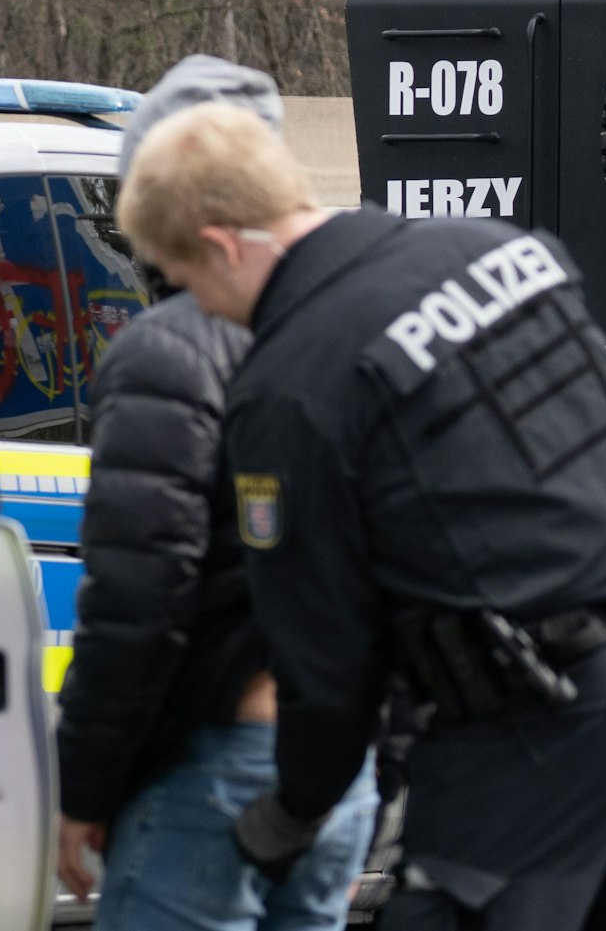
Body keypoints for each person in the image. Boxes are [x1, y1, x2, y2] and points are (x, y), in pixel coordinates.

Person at [115, 101, 606, 931]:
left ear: (221, 244)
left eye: (186, 280)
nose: (201, 308)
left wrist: (295, 810)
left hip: (538, 728)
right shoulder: (497, 249)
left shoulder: (288, 386)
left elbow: (324, 658)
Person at [54, 57, 378, 931]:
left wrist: (83, 787)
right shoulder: (359, 321)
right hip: (337, 762)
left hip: (218, 765)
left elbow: (137, 603)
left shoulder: (168, 350)